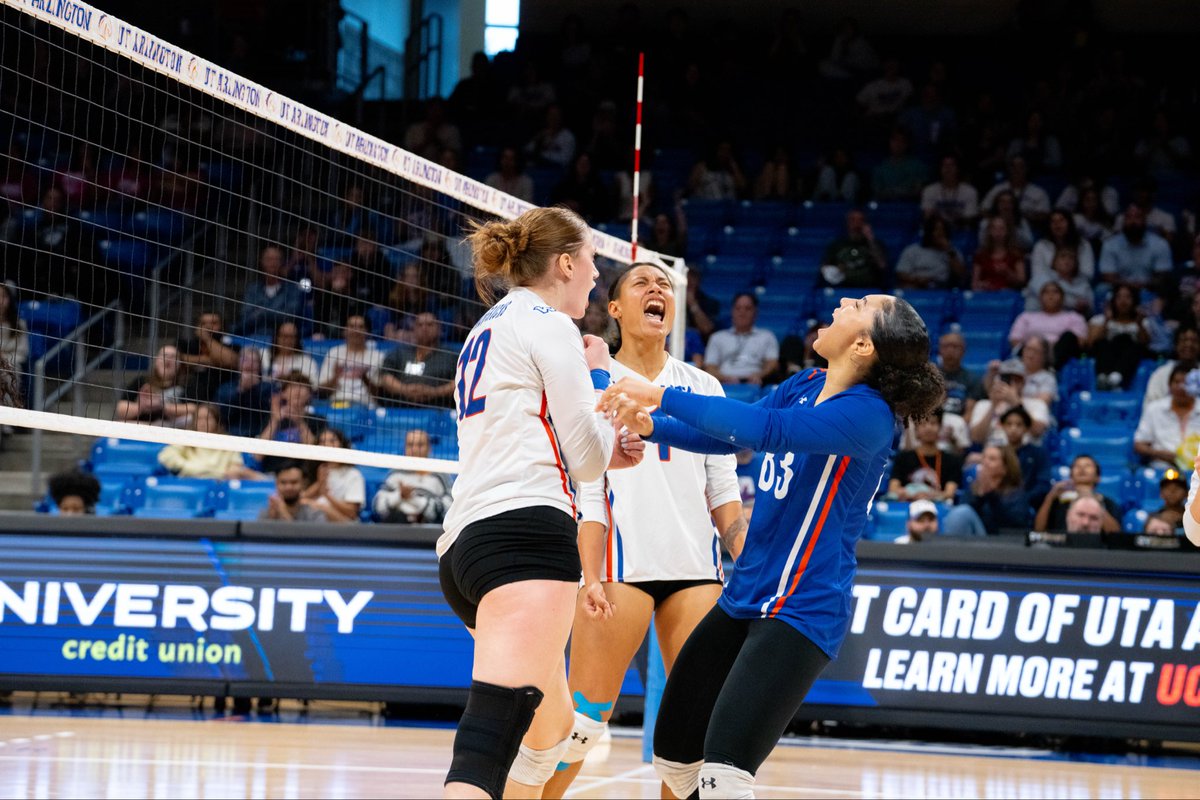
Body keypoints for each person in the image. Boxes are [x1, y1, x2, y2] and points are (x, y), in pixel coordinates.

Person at [596, 292, 944, 800]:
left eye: (861, 304)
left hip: (802, 609)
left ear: (864, 345)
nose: (845, 300)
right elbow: (735, 436)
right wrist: (653, 427)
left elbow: (766, 430)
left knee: (724, 777)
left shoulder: (869, 414)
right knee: (674, 757)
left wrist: (658, 394)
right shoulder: (806, 383)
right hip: (746, 595)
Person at [436, 207, 643, 800]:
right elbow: (587, 459)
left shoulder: (487, 327)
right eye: (593, 261)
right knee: (487, 744)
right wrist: (600, 376)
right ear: (566, 263)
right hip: (523, 539)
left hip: (465, 547)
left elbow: (550, 437)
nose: (598, 276)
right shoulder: (550, 324)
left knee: (551, 730)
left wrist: (603, 449)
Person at [543, 263, 746, 798]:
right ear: (614, 309)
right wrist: (589, 576)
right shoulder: (594, 381)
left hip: (696, 572)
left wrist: (747, 561)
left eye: (664, 285)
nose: (657, 289)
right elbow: (589, 496)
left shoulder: (703, 385)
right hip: (619, 569)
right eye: (642, 283)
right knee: (582, 725)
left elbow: (723, 493)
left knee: (693, 737)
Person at [942, 445, 1031, 536]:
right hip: (976, 537)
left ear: (1005, 468)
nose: (985, 462)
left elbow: (1016, 523)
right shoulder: (974, 489)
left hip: (1003, 539)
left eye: (992, 459)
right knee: (960, 512)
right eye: (983, 458)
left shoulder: (1015, 494)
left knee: (962, 513)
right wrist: (980, 496)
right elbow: (962, 512)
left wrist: (991, 495)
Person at [157, 404, 261, 480]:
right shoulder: (187, 439)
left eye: (208, 418)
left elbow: (235, 469)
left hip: (218, 485)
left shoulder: (227, 442)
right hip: (190, 483)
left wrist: (200, 470)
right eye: (199, 419)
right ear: (194, 421)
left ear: (216, 421)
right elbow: (165, 457)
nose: (203, 423)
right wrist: (188, 467)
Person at [376, 312, 457, 408]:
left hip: (440, 410)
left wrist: (434, 392)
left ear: (439, 329)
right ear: (414, 329)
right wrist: (405, 389)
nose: (424, 328)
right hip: (401, 410)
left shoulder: (451, 355)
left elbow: (459, 382)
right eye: (420, 325)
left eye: (429, 324)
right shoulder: (400, 353)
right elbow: (386, 377)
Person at [373, 429, 453, 524]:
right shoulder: (395, 474)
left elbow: (451, 508)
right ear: (405, 447)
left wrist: (413, 499)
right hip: (396, 525)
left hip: (429, 526)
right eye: (410, 445)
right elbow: (377, 506)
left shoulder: (440, 475)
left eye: (420, 445)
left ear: (429, 448)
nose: (414, 450)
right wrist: (399, 495)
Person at [703, 293, 779, 386]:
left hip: (757, 383)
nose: (742, 313)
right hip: (723, 383)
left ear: (755, 312)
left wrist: (760, 375)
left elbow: (772, 364)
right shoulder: (717, 337)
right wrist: (724, 378)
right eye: (738, 308)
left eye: (747, 308)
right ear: (732, 311)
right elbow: (710, 367)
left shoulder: (767, 336)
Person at [969, 359, 1049, 446]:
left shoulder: (1037, 404)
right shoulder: (983, 404)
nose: (1011, 383)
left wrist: (1017, 404)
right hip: (992, 449)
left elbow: (1038, 431)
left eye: (1017, 380)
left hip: (1024, 450)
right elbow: (976, 438)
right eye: (1007, 379)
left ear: (1023, 382)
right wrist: (993, 406)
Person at [1135, 364, 1200, 470]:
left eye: (1186, 383)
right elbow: (1139, 444)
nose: (1180, 387)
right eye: (1176, 382)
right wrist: (1158, 453)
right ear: (1169, 385)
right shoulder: (1154, 409)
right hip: (1162, 468)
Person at [1033, 455, 1121, 533]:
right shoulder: (1057, 502)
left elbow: (1115, 535)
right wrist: (1050, 497)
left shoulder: (1107, 503)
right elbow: (1038, 530)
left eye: (1088, 466)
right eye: (1077, 466)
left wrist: (1094, 501)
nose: (1082, 469)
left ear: (1098, 478)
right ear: (1070, 476)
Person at [888, 410, 962, 503]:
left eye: (933, 423)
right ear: (916, 430)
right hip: (907, 504)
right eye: (923, 424)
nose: (928, 428)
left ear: (940, 427)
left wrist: (929, 495)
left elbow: (949, 493)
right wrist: (913, 495)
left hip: (937, 506)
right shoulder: (903, 458)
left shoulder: (952, 460)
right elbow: (893, 489)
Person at [1087, 283, 1150, 388]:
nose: (1123, 301)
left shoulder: (1143, 323)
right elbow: (1091, 343)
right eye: (1119, 297)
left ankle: (1116, 377)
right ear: (1113, 300)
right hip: (1107, 355)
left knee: (1127, 340)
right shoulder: (1099, 320)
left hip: (1129, 356)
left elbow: (1145, 344)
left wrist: (1139, 324)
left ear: (1134, 301)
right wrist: (1106, 321)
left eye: (1128, 297)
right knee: (1104, 342)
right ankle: (1103, 376)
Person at [115, 345, 194, 426]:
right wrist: (141, 407)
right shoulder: (143, 381)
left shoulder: (187, 384)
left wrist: (162, 406)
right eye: (164, 355)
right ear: (156, 360)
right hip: (142, 426)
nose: (168, 360)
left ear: (180, 364)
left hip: (171, 427)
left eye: (173, 357)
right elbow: (120, 409)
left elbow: (194, 409)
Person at [317, 315, 385, 408]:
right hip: (336, 405)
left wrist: (365, 379)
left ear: (367, 332)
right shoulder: (334, 352)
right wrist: (336, 377)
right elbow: (321, 390)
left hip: (367, 406)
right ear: (344, 331)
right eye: (352, 326)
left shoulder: (378, 356)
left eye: (360, 327)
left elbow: (381, 395)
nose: (356, 331)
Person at [1098, 205, 1173, 290]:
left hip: (1150, 289)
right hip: (1120, 290)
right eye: (1129, 217)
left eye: (1137, 217)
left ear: (1145, 220)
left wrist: (1142, 286)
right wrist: (1131, 286)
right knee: (1102, 289)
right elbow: (1108, 277)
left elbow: (1163, 276)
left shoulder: (1160, 244)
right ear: (1123, 222)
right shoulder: (1110, 245)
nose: (1133, 222)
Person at [238, 245, 306, 336]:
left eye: (276, 259)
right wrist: (274, 313)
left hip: (283, 339)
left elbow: (291, 316)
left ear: (282, 262)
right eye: (269, 259)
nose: (272, 263)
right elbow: (245, 318)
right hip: (254, 337)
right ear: (261, 262)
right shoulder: (253, 290)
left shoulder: (293, 289)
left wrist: (261, 312)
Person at [302, 427, 365, 523]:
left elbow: (351, 512)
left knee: (320, 507)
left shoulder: (353, 474)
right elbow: (300, 500)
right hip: (316, 521)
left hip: (344, 524)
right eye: (322, 442)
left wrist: (327, 496)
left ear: (342, 444)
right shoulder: (315, 470)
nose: (327, 445)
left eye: (332, 441)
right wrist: (320, 482)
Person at [177, 311, 240, 403]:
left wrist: (207, 339)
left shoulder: (231, 345)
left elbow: (231, 361)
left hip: (220, 397)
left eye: (214, 323)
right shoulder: (186, 345)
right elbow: (178, 359)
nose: (208, 327)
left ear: (222, 327)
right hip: (187, 394)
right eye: (203, 323)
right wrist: (212, 361)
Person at [819, 209, 885, 288]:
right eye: (853, 220)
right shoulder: (837, 245)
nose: (857, 223)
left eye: (860, 220)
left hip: (869, 289)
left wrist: (870, 239)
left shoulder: (875, 244)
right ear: (847, 223)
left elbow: (882, 265)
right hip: (843, 289)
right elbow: (824, 268)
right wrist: (836, 269)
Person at [894, 216, 965, 289]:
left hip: (942, 288)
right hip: (917, 286)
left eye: (943, 230)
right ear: (928, 232)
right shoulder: (912, 250)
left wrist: (949, 250)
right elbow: (900, 273)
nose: (940, 234)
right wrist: (916, 279)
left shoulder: (952, 252)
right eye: (936, 230)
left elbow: (961, 274)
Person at [1030, 210, 1095, 285]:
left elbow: (1087, 273)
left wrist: (1068, 282)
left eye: (1061, 220)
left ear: (1069, 223)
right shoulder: (1041, 246)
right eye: (1053, 221)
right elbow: (1037, 274)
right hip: (1048, 287)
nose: (1057, 224)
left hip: (1076, 286)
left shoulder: (1083, 245)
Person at [1025, 248, 1094, 317]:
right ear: (1054, 261)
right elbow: (1048, 297)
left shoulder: (1083, 283)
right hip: (1038, 319)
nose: (1067, 261)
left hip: (1073, 320)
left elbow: (1090, 307)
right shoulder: (1042, 277)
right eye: (1062, 257)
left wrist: (1085, 306)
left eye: (1071, 258)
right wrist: (1074, 303)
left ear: (1076, 263)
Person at [870, 127, 928, 202]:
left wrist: (899, 193)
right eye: (895, 140)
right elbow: (877, 192)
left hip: (909, 205)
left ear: (907, 144)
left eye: (902, 141)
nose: (898, 144)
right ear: (889, 142)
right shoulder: (880, 167)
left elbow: (918, 191)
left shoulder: (918, 166)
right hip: (885, 206)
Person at [920, 154, 977, 229]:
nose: (948, 168)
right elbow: (928, 216)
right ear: (940, 169)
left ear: (958, 169)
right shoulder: (929, 190)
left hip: (960, 229)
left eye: (952, 165)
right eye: (945, 165)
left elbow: (969, 218)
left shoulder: (969, 191)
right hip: (938, 229)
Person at [971, 216, 1027, 292]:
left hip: (1009, 295)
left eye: (1001, 228)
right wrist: (981, 285)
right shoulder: (980, 254)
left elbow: (1022, 281)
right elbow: (974, 284)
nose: (998, 232)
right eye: (994, 228)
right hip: (986, 294)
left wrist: (1008, 272)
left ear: (1007, 231)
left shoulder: (1016, 254)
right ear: (989, 231)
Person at [937, 331, 982, 421]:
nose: (950, 350)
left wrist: (959, 425)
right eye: (946, 346)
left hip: (959, 422)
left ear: (963, 350)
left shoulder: (972, 378)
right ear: (939, 350)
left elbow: (969, 412)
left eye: (955, 346)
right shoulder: (930, 377)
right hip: (932, 422)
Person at [259, 461, 325, 522]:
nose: (288, 487)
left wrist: (284, 514)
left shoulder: (314, 514)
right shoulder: (267, 514)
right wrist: (271, 519)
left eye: (294, 482)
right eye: (283, 482)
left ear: (303, 484)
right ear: (276, 484)